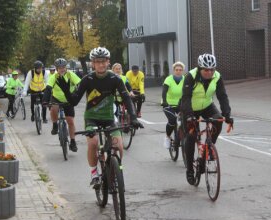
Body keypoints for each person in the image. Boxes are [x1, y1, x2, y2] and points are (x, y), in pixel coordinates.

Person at [56, 47, 143, 188]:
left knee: (119, 146)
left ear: (108, 62)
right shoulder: (87, 79)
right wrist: (66, 91)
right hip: (92, 117)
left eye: (104, 61)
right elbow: (74, 102)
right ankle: (94, 172)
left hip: (109, 117)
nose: (101, 64)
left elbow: (126, 98)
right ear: (93, 63)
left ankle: (114, 172)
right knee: (93, 143)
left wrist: (133, 117)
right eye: (98, 62)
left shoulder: (115, 78)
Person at [180, 53, 234, 185]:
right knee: (191, 136)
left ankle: (209, 149)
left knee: (218, 120)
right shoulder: (191, 76)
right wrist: (189, 116)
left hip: (207, 106)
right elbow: (186, 98)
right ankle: (189, 170)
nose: (209, 72)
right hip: (190, 108)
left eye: (212, 69)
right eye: (206, 70)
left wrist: (227, 114)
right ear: (199, 68)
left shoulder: (217, 76)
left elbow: (222, 96)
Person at [43, 58, 81, 152]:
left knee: (70, 121)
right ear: (56, 69)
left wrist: (76, 94)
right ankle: (55, 124)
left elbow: (80, 84)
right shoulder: (54, 77)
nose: (62, 69)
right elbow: (48, 89)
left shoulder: (70, 75)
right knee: (53, 108)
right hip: (56, 98)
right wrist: (45, 100)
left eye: (63, 67)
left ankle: (72, 141)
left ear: (66, 67)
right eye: (60, 68)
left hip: (69, 99)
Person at [161, 61, 186, 149]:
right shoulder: (168, 79)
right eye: (176, 70)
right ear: (174, 70)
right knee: (172, 120)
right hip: (169, 104)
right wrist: (164, 102)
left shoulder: (185, 79)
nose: (178, 71)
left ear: (182, 71)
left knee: (186, 120)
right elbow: (164, 91)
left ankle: (183, 137)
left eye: (180, 70)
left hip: (180, 104)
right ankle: (167, 137)